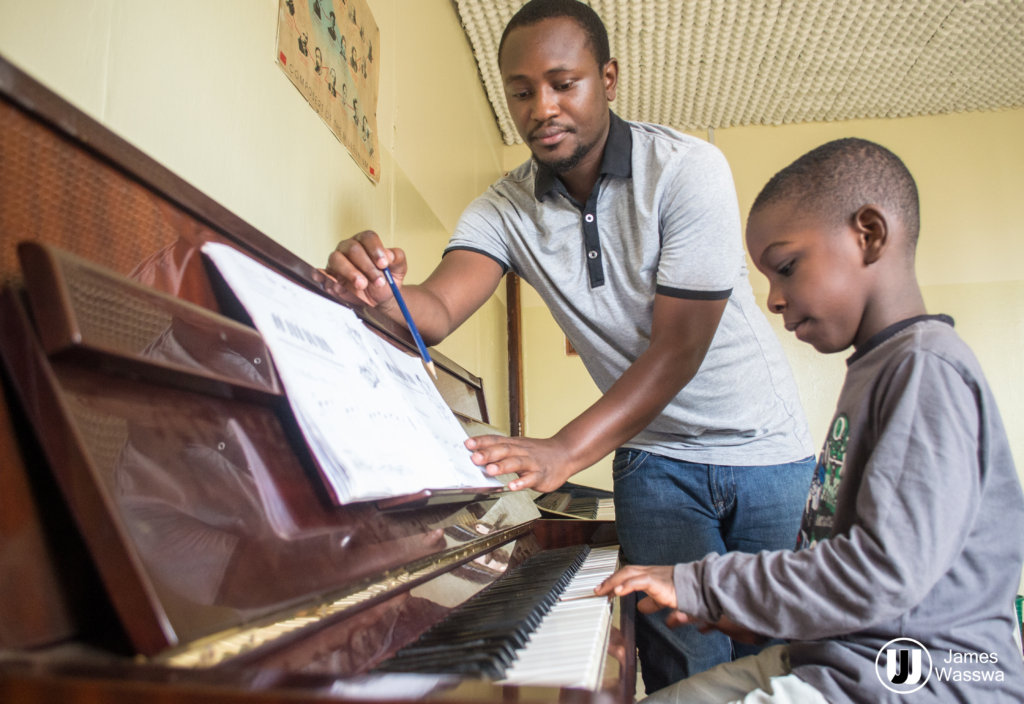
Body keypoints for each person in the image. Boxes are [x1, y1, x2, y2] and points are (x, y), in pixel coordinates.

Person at [318, 0, 813, 689]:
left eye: (563, 83)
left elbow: (678, 348)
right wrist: (380, 295)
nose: (541, 107)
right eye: (521, 92)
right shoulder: (502, 208)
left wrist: (565, 450)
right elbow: (433, 309)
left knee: (778, 657)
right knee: (684, 670)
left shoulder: (688, 170)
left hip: (769, 451)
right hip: (657, 459)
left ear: (607, 79)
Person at [596, 137, 1024, 703]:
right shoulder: (880, 366)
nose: (774, 299)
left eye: (787, 268)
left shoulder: (924, 366)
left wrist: (701, 584)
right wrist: (752, 613)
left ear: (868, 235)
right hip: (841, 655)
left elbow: (878, 573)